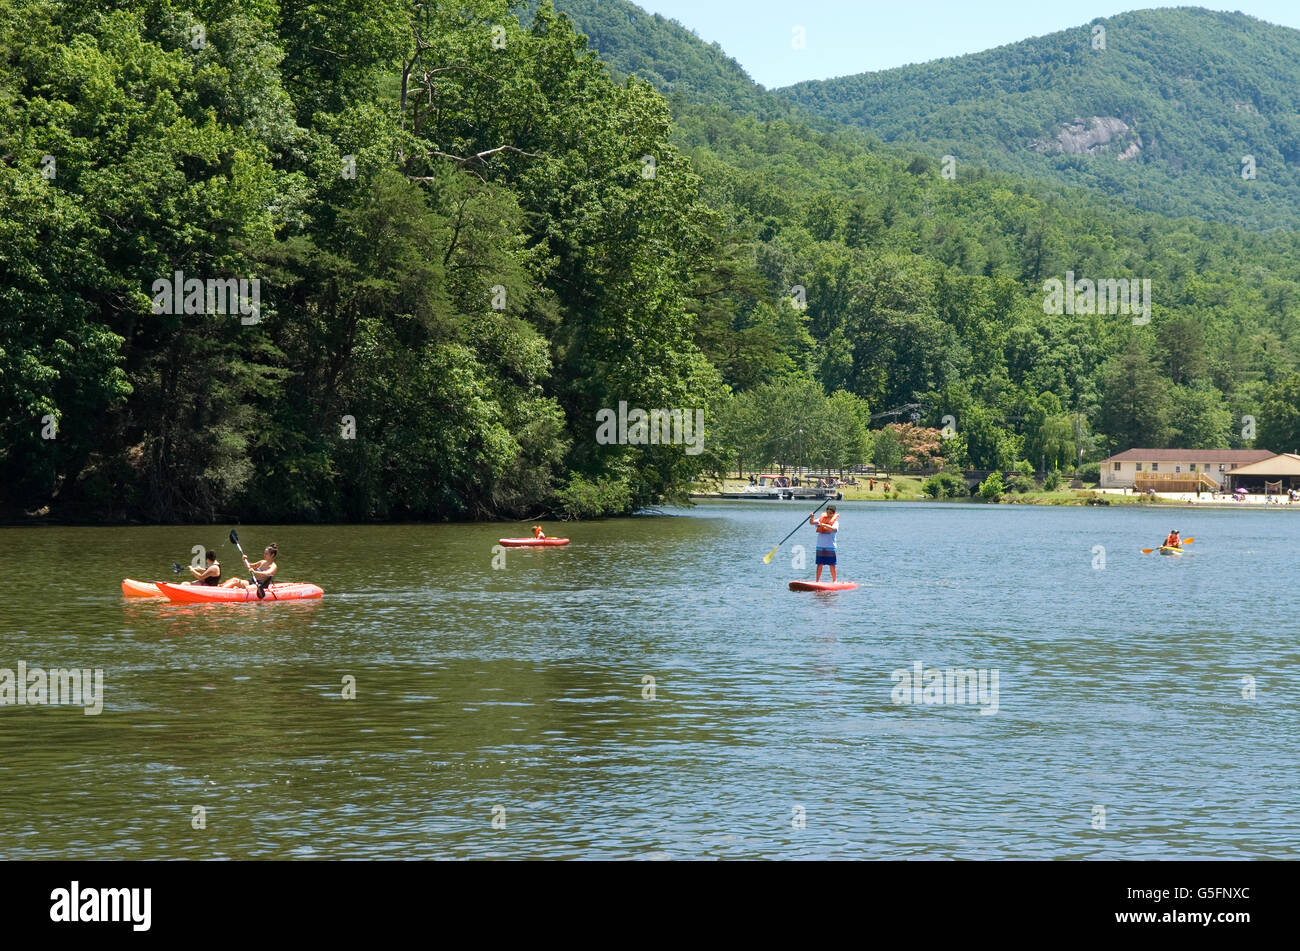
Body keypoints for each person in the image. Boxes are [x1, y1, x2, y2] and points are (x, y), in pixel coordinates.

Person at [810, 506, 840, 582]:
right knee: (819, 564)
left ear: (833, 514)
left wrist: (824, 525)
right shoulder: (821, 519)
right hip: (820, 546)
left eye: (830, 513)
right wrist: (812, 517)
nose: (828, 514)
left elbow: (833, 529)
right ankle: (817, 581)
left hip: (830, 547)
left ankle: (834, 581)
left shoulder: (835, 522)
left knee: (832, 565)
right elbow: (812, 523)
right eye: (827, 512)